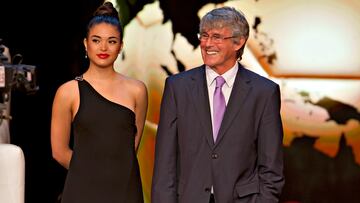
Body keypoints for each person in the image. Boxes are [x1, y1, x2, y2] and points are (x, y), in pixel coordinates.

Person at [151, 6, 284, 203]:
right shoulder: (177, 87)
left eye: (216, 37)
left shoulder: (264, 92)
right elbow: (165, 165)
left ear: (239, 42)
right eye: (204, 35)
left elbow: (271, 167)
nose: (207, 43)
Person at [50, 2, 148, 202]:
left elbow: (130, 149)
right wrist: (94, 173)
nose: (103, 47)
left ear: (120, 46)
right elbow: (59, 152)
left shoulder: (137, 90)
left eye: (111, 41)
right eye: (96, 40)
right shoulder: (68, 92)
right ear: (86, 44)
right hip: (82, 190)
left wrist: (112, 173)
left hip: (125, 191)